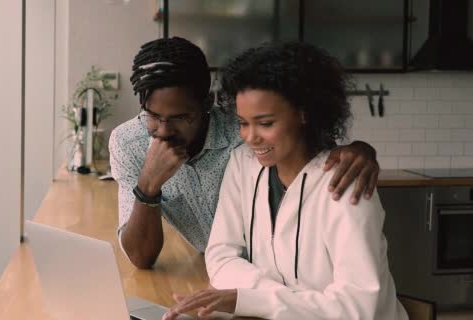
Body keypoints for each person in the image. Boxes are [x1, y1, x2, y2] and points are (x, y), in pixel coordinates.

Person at [163, 42, 407, 320]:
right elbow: (220, 258)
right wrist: (265, 300)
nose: (250, 137)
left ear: (304, 114)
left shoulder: (347, 180)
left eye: (265, 123)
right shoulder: (243, 164)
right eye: (243, 122)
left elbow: (356, 309)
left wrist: (249, 299)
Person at [108, 37, 380, 269]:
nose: (164, 131)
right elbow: (141, 258)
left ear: (207, 103)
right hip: (227, 274)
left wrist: (360, 150)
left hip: (278, 274)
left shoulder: (244, 133)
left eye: (180, 117)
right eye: (153, 116)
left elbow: (312, 152)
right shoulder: (129, 143)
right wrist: (148, 186)